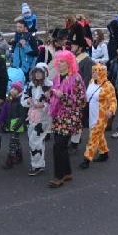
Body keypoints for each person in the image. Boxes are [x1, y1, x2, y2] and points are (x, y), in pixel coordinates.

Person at [47, 51, 86, 188]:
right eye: (58, 61)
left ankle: (59, 176)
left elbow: (81, 100)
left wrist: (63, 96)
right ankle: (67, 172)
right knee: (61, 146)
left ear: (69, 62)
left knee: (58, 146)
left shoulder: (76, 78)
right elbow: (53, 95)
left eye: (62, 61)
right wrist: (51, 94)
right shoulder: (57, 77)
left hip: (69, 116)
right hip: (58, 115)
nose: (59, 63)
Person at [80, 63, 116, 168]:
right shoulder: (91, 82)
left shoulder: (108, 86)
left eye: (97, 72)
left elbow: (113, 101)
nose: (94, 74)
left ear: (102, 72)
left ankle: (87, 159)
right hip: (91, 114)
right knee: (99, 135)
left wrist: (111, 111)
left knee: (93, 137)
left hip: (101, 117)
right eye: (93, 71)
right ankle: (104, 153)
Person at [21, 62, 53, 176]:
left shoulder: (50, 86)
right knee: (34, 140)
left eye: (40, 72)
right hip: (32, 116)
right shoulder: (31, 85)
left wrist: (43, 105)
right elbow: (24, 97)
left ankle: (37, 165)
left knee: (35, 140)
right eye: (36, 72)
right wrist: (28, 101)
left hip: (43, 118)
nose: (38, 75)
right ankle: (38, 163)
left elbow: (53, 103)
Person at [0, 81, 26, 169]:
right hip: (11, 123)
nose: (12, 90)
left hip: (17, 124)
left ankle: (9, 161)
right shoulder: (9, 100)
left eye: (15, 89)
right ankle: (19, 156)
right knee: (15, 141)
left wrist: (17, 125)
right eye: (12, 88)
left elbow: (23, 116)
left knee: (12, 143)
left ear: (19, 91)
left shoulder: (21, 101)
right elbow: (4, 112)